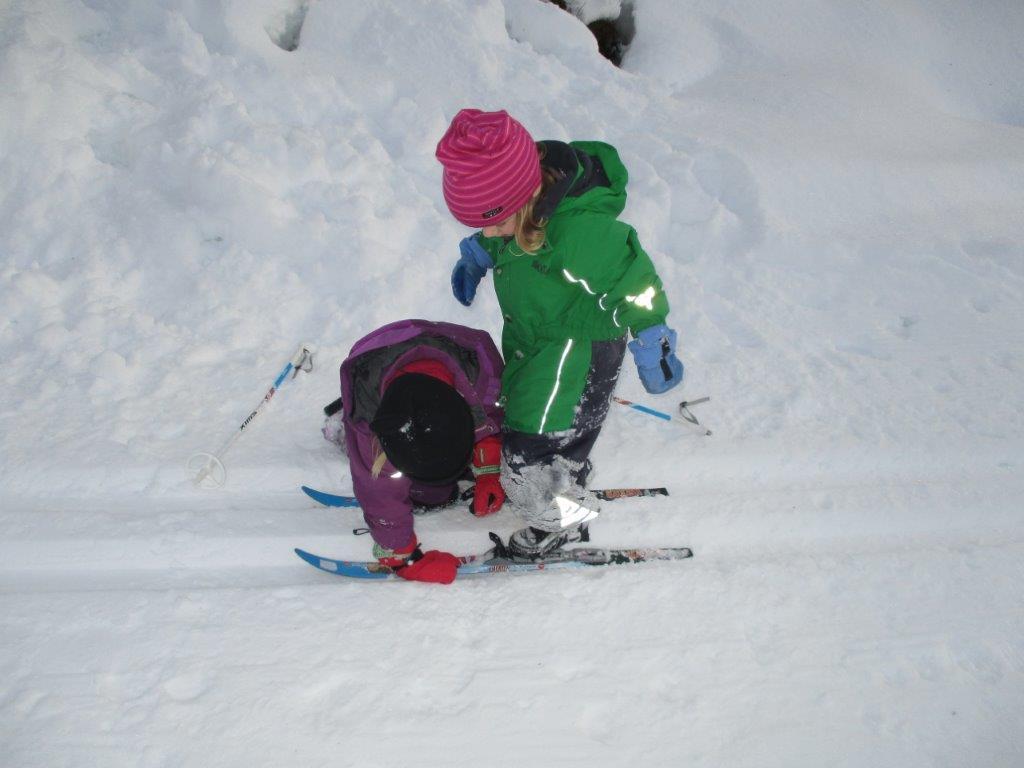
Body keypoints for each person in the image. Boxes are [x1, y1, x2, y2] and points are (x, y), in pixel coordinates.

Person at [435, 108, 684, 559]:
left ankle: (563, 521)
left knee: (528, 450)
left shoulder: (575, 232)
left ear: (524, 196)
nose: (489, 231)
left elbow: (633, 278)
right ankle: (562, 476)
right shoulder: (520, 210)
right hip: (539, 340)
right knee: (535, 428)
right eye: (480, 226)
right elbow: (501, 234)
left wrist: (653, 336)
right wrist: (477, 253)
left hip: (578, 351)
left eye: (493, 222)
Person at [322, 319, 505, 584]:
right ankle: (340, 425)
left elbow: (490, 418)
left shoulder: (483, 375)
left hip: (449, 353)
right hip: (372, 366)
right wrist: (403, 557)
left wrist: (489, 469)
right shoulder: (367, 418)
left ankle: (440, 470)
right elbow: (378, 489)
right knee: (429, 494)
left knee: (438, 480)